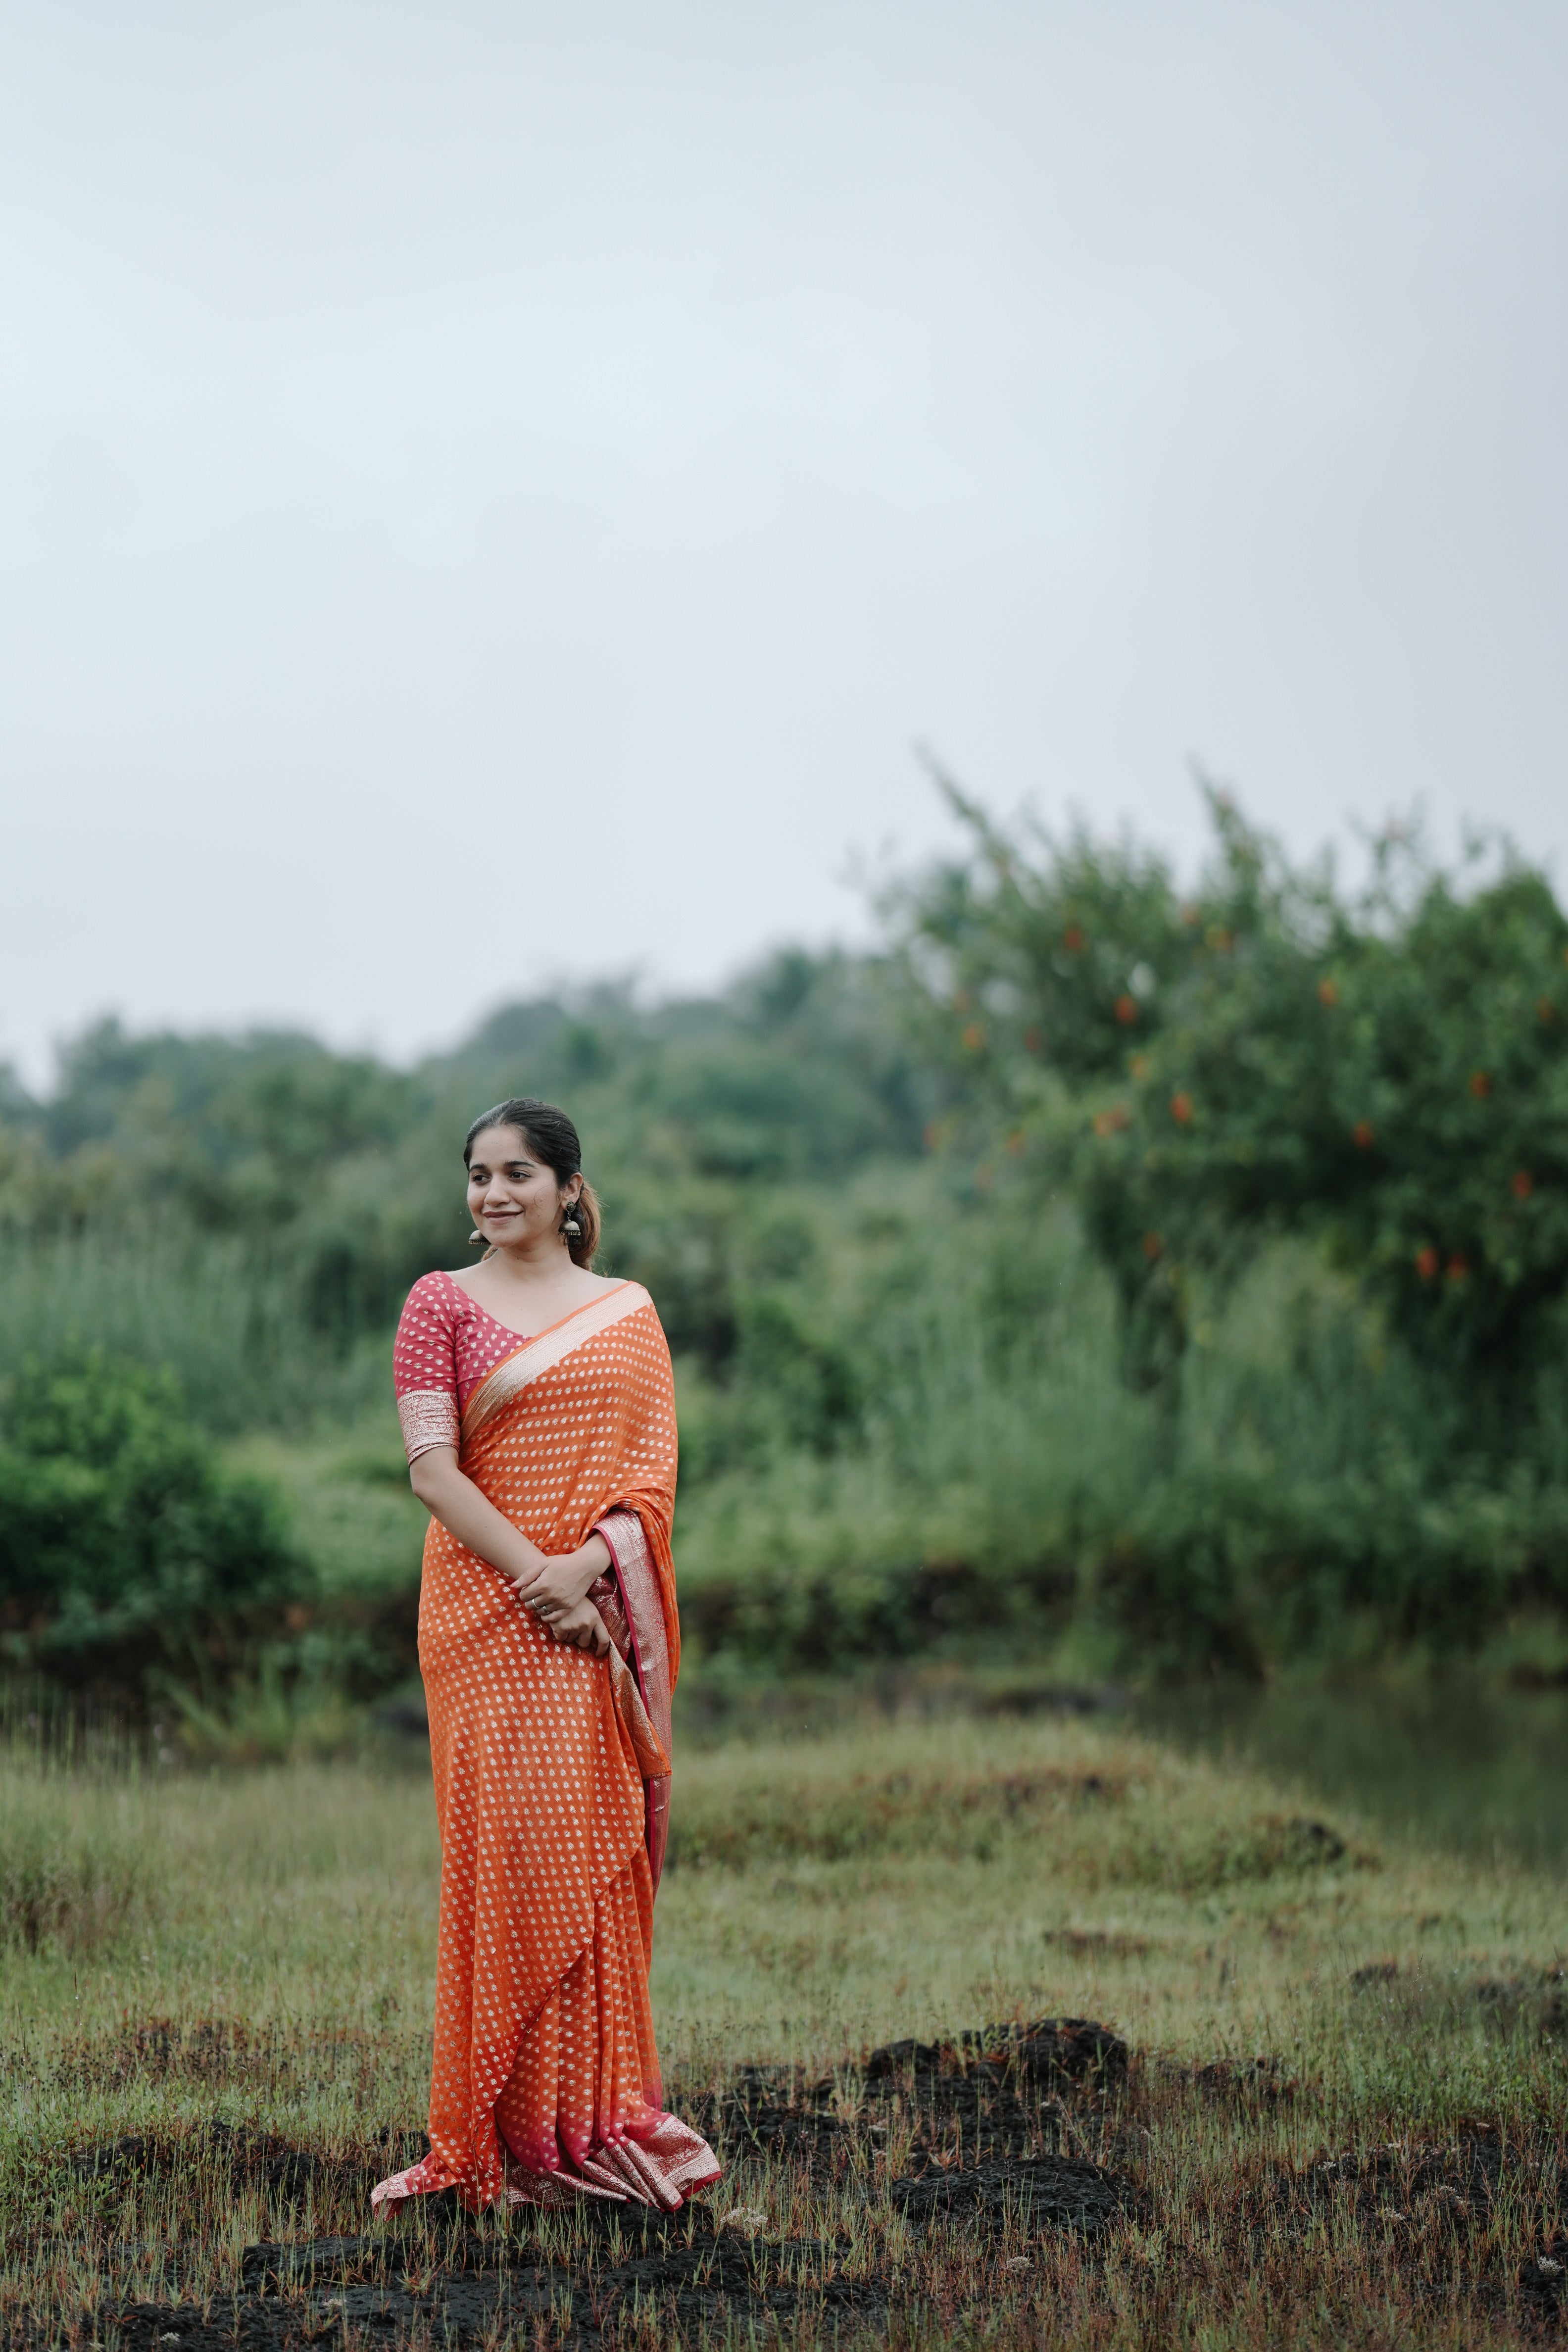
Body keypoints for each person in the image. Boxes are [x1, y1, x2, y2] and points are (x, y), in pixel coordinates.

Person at [370, 1096, 719, 2215]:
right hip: (483, 1621)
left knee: (588, 1854)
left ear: (570, 1188)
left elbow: (651, 1481)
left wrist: (588, 1574)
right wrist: (542, 1576)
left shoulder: (627, 1313)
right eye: (478, 1174)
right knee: (508, 1856)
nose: (494, 1192)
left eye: (519, 1171)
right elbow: (432, 1471)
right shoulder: (440, 1303)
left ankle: (587, 2123)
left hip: (588, 1617)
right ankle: (497, 2137)